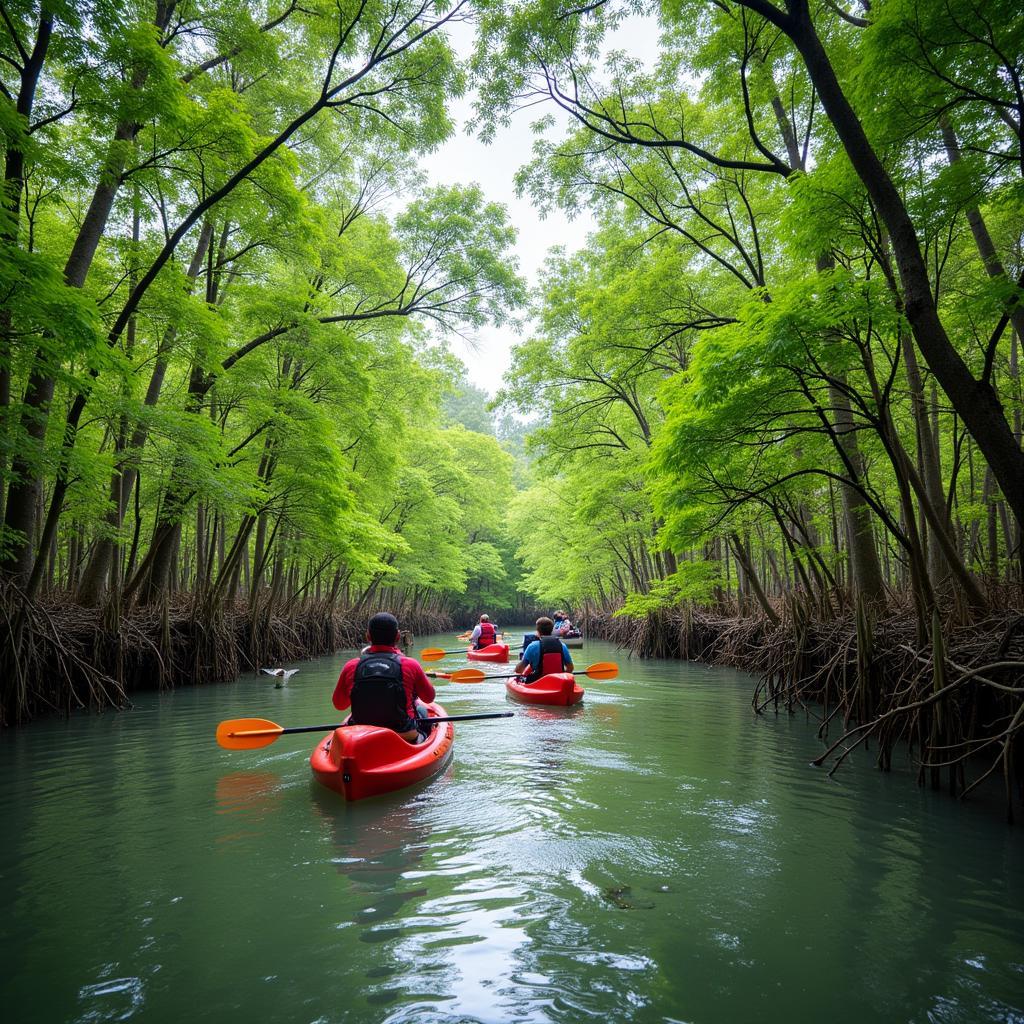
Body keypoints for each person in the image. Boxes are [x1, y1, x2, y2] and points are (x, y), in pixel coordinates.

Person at [333, 612, 435, 744]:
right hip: (404, 735)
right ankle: (424, 746)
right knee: (421, 710)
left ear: (368, 636)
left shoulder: (351, 666)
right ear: (398, 636)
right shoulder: (410, 664)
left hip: (361, 735)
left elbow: (339, 705)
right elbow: (429, 698)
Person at [514, 616, 574, 685]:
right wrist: (562, 676)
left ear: (538, 631)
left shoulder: (532, 646)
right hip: (557, 683)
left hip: (537, 683)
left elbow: (519, 670)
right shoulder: (562, 646)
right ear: (552, 630)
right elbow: (570, 668)